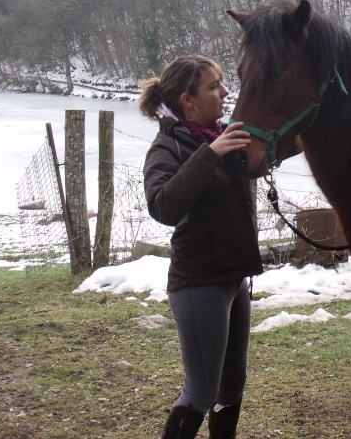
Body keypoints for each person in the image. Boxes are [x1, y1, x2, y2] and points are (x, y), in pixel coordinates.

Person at [139, 55, 263, 439]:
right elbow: (163, 206)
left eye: (223, 83)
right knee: (201, 390)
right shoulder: (168, 148)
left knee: (232, 385)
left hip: (233, 277)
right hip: (199, 283)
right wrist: (211, 155)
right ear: (187, 100)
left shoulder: (215, 135)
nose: (225, 92)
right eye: (213, 86)